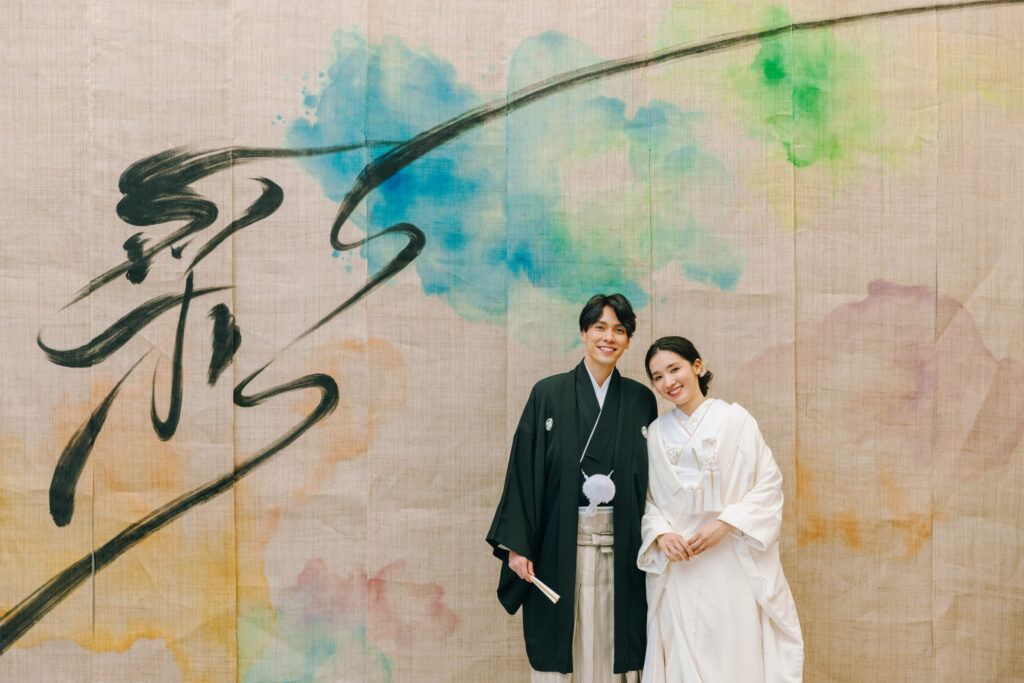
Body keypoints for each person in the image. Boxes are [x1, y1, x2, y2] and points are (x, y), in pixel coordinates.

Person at [487, 294, 658, 681]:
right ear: (583, 333)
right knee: (563, 640)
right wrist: (517, 545)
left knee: (615, 641)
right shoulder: (547, 394)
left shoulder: (641, 400)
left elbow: (653, 480)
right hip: (558, 544)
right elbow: (523, 470)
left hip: (623, 545)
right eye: (599, 327)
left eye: (619, 330)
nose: (608, 337)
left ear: (628, 340)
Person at [637, 336, 803, 682]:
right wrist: (662, 534)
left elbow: (768, 482)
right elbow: (647, 498)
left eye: (674, 369)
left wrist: (725, 524)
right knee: (680, 654)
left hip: (730, 560)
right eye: (657, 377)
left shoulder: (737, 421)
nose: (668, 382)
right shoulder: (655, 433)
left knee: (734, 651)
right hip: (680, 565)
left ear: (697, 366)